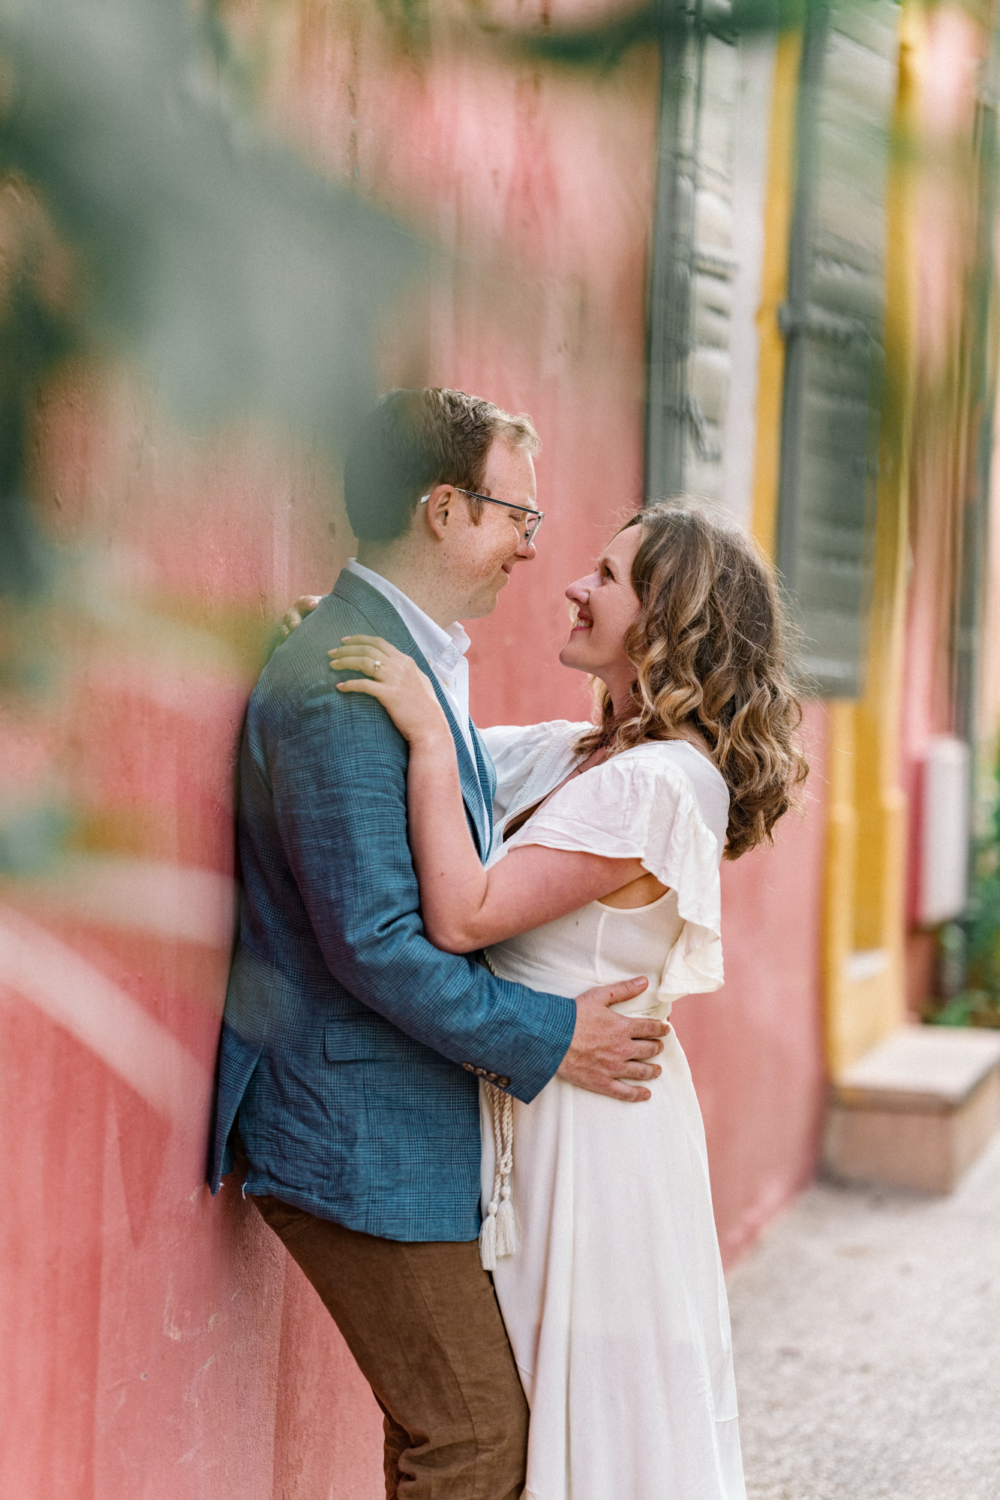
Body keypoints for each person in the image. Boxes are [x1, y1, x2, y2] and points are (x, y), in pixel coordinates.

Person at [209, 387, 670, 1500]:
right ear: (441, 509)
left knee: (454, 1432)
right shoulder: (343, 681)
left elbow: (523, 777)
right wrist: (553, 1037)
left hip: (398, 1122)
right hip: (350, 1130)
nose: (530, 546)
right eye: (519, 516)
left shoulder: (411, 662)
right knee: (471, 1438)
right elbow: (373, 944)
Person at [325, 498, 807, 1500]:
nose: (575, 586)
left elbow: (464, 915)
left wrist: (421, 732)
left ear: (671, 620)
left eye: (609, 576)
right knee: (510, 1412)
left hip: (592, 1141)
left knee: (586, 1417)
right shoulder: (579, 754)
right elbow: (445, 753)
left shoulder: (661, 782)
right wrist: (344, 651)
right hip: (542, 1106)